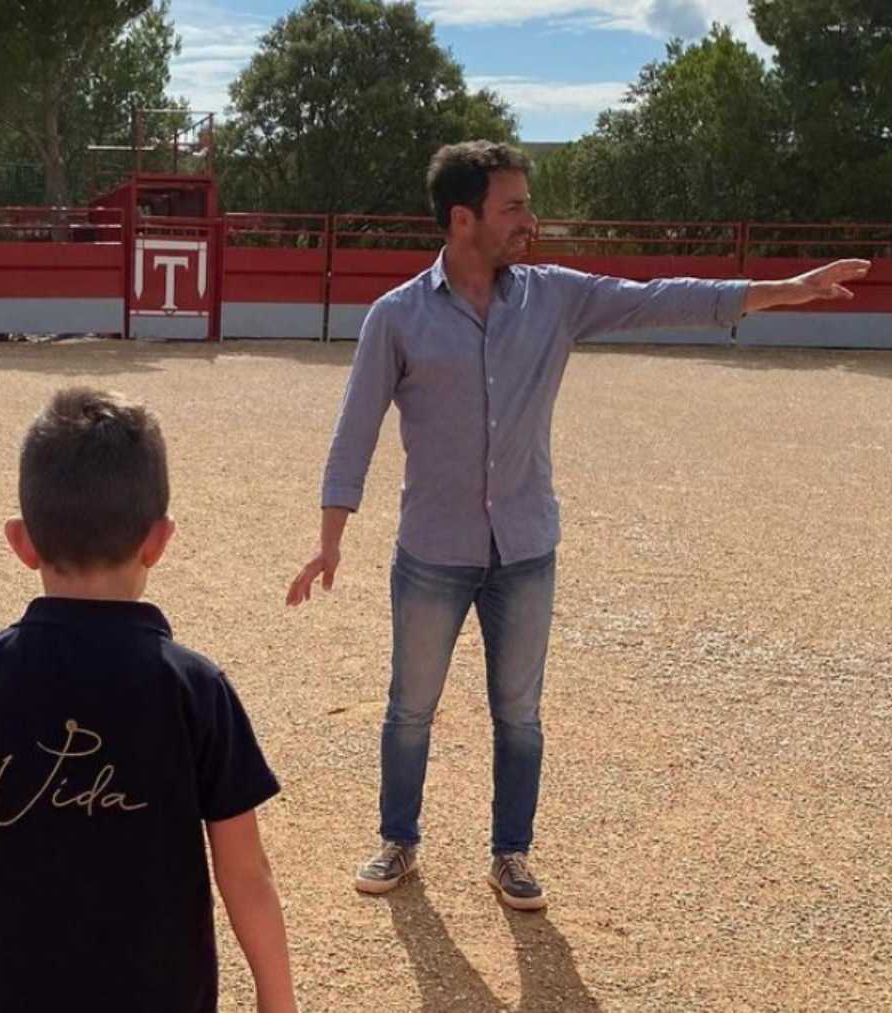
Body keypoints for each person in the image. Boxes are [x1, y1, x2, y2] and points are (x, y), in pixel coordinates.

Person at [286, 140, 871, 910]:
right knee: (411, 706)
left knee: (519, 714)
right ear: (463, 219)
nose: (532, 218)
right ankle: (399, 839)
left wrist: (779, 288)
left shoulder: (555, 297)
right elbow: (354, 428)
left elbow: (662, 296)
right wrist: (332, 536)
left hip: (526, 546)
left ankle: (512, 854)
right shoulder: (396, 317)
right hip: (433, 549)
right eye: (515, 206)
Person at [0, 388, 296, 1013]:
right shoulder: (195, 688)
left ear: (22, 542)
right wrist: (278, 1001)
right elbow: (245, 874)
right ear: (159, 540)